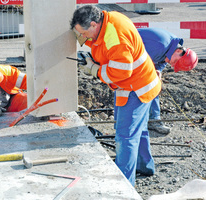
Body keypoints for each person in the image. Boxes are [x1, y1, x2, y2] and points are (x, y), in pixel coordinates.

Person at [70, 5, 161, 186]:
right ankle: (145, 166)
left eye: (84, 33)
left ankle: (125, 187)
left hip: (135, 88)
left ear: (94, 24)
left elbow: (120, 72)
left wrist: (94, 70)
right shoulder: (109, 20)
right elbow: (102, 44)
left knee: (125, 137)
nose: (84, 38)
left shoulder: (115, 38)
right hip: (142, 82)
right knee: (138, 129)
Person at [138, 28, 198, 134]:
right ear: (179, 51)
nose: (172, 65)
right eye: (175, 62)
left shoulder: (172, 48)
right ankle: (131, 122)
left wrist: (158, 69)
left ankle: (152, 120)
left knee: (153, 83)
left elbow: (162, 61)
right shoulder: (159, 46)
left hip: (136, 57)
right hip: (121, 52)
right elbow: (138, 62)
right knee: (139, 85)